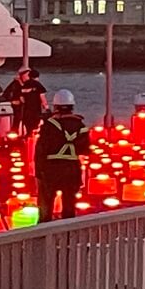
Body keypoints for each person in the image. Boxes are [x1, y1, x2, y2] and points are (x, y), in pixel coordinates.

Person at [33, 89, 90, 221]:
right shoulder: (81, 126)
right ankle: (68, 236)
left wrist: (38, 173)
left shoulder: (49, 126)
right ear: (72, 106)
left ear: (56, 107)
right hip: (72, 170)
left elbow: (40, 151)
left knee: (46, 207)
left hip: (51, 170)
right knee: (69, 207)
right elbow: (85, 150)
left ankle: (44, 235)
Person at [2, 68, 48, 134]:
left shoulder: (24, 85)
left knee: (27, 129)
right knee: (35, 129)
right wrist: (46, 108)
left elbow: (22, 99)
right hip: (35, 112)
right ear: (37, 77)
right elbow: (43, 99)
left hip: (25, 112)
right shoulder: (38, 85)